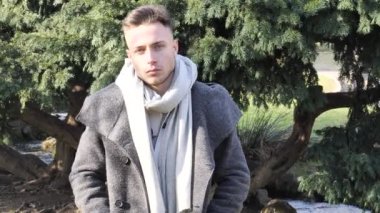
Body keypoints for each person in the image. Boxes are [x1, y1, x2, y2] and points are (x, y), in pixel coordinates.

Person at [69, 4, 250, 213]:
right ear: (130, 55)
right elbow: (84, 174)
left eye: (158, 46)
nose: (151, 58)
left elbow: (236, 175)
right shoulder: (106, 106)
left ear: (174, 47)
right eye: (140, 50)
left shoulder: (209, 102)